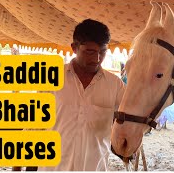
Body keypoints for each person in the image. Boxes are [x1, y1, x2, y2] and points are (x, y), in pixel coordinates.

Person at [14, 19, 125, 171]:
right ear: (74, 47)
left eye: (102, 52)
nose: (97, 59)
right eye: (90, 52)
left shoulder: (116, 85)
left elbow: (128, 122)